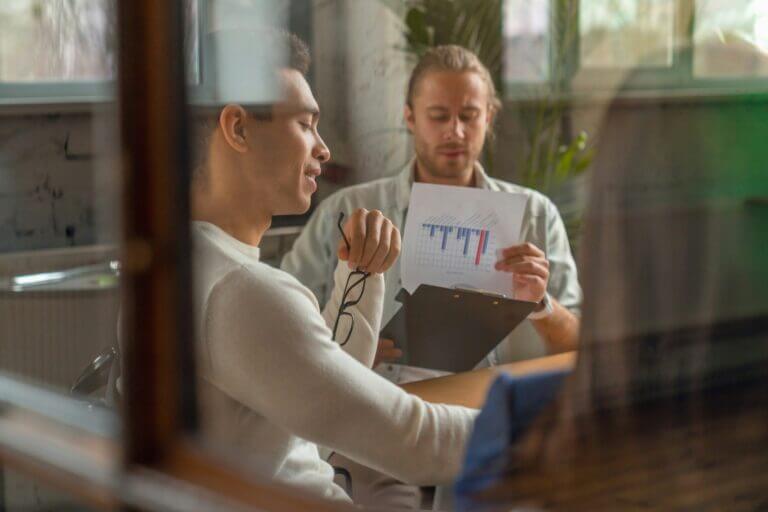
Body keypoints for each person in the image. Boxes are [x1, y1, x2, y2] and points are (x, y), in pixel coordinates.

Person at [190, 30, 476, 505]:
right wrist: (544, 416)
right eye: (306, 124)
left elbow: (319, 413)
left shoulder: (191, 266)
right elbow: (414, 442)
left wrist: (359, 276)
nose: (323, 149)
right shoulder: (242, 292)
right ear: (237, 129)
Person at [282, 45, 582, 381]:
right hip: (384, 412)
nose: (455, 131)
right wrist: (348, 352)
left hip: (491, 409)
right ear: (409, 117)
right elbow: (283, 332)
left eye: (468, 116)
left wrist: (542, 305)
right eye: (439, 116)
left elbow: (579, 347)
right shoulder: (345, 212)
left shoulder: (537, 215)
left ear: (489, 117)